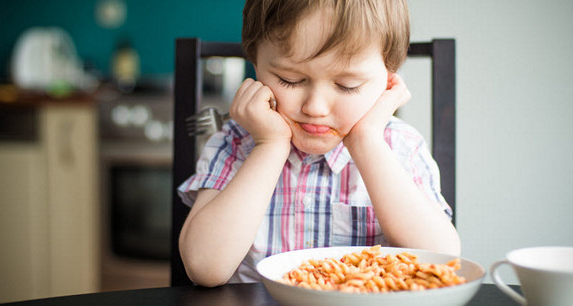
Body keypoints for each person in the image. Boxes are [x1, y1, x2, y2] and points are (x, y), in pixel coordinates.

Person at [177, 0, 460, 287]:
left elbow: (440, 260)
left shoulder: (401, 146)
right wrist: (269, 145)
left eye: (347, 85)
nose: (315, 107)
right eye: (290, 79)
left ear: (389, 81)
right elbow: (203, 268)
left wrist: (366, 142)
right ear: (256, 67)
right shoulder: (234, 143)